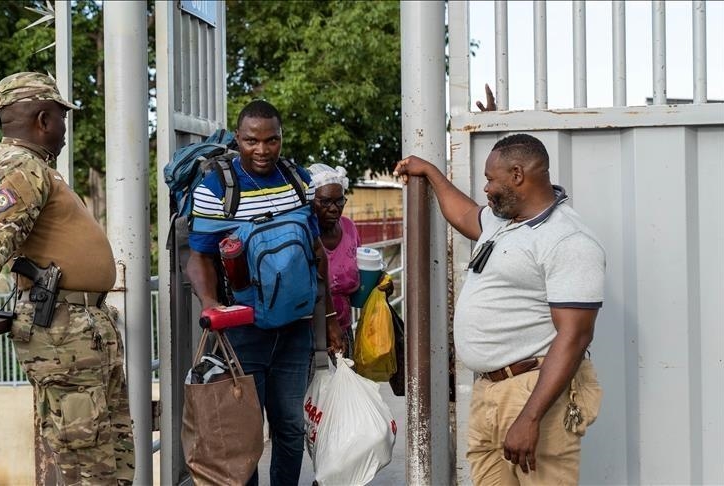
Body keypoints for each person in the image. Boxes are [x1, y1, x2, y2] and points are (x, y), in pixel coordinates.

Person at [0, 72, 134, 485]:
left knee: (110, 456)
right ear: (43, 119)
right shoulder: (21, 169)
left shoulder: (38, 169)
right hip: (63, 333)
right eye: (61, 118)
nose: (65, 129)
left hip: (82, 328)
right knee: (87, 462)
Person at [394, 134, 604, 485]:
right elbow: (462, 213)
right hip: (490, 392)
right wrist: (430, 172)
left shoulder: (568, 240)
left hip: (531, 392)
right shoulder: (503, 222)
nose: (486, 188)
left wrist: (530, 417)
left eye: (491, 179)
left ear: (518, 175)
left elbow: (575, 336)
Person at [186, 100, 344, 485]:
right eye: (252, 141)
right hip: (244, 329)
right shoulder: (216, 188)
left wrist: (328, 320)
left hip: (294, 327)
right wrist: (211, 304)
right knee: (245, 431)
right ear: (238, 139)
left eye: (271, 140)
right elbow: (199, 257)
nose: (262, 150)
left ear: (280, 138)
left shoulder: (298, 181)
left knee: (290, 426)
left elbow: (317, 250)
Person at [307, 163, 360, 355]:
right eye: (325, 202)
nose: (334, 209)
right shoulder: (304, 234)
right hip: (310, 335)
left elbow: (358, 268)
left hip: (343, 329)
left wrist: (378, 280)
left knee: (345, 383)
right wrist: (329, 323)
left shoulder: (349, 228)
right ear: (311, 201)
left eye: (339, 201)